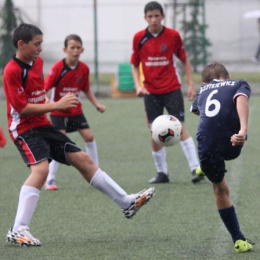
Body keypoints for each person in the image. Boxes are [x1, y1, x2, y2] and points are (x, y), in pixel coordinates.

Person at [3, 23, 155, 247]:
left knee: (83, 159)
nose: (41, 48)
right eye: (37, 44)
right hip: (23, 128)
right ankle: (18, 229)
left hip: (42, 124)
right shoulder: (11, 71)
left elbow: (36, 94)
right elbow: (22, 107)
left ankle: (126, 202)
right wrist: (56, 104)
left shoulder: (38, 62)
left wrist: (49, 103)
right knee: (41, 170)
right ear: (21, 44)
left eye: (41, 43)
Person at [131, 1, 201, 184]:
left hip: (172, 89)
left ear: (163, 16)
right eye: (150, 16)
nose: (153, 20)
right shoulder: (138, 38)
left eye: (156, 16)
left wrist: (191, 84)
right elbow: (134, 64)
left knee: (181, 127)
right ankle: (162, 173)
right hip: (150, 92)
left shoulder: (173, 36)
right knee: (154, 131)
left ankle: (195, 169)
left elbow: (184, 60)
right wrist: (138, 86)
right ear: (145, 18)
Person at [190, 62, 254, 253]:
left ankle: (238, 240)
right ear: (229, 76)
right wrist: (243, 130)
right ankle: (206, 166)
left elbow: (199, 112)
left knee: (220, 189)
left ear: (204, 82)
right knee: (226, 155)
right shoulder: (237, 83)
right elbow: (241, 99)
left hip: (207, 144)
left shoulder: (202, 90)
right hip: (232, 141)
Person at [44, 34, 105, 190]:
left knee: (89, 137)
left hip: (76, 111)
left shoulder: (84, 68)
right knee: (60, 142)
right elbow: (44, 89)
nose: (75, 51)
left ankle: (96, 172)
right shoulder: (58, 68)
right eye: (72, 48)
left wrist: (96, 104)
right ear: (65, 49)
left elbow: (85, 89)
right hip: (58, 112)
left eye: (78, 48)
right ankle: (50, 179)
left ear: (82, 50)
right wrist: (48, 103)